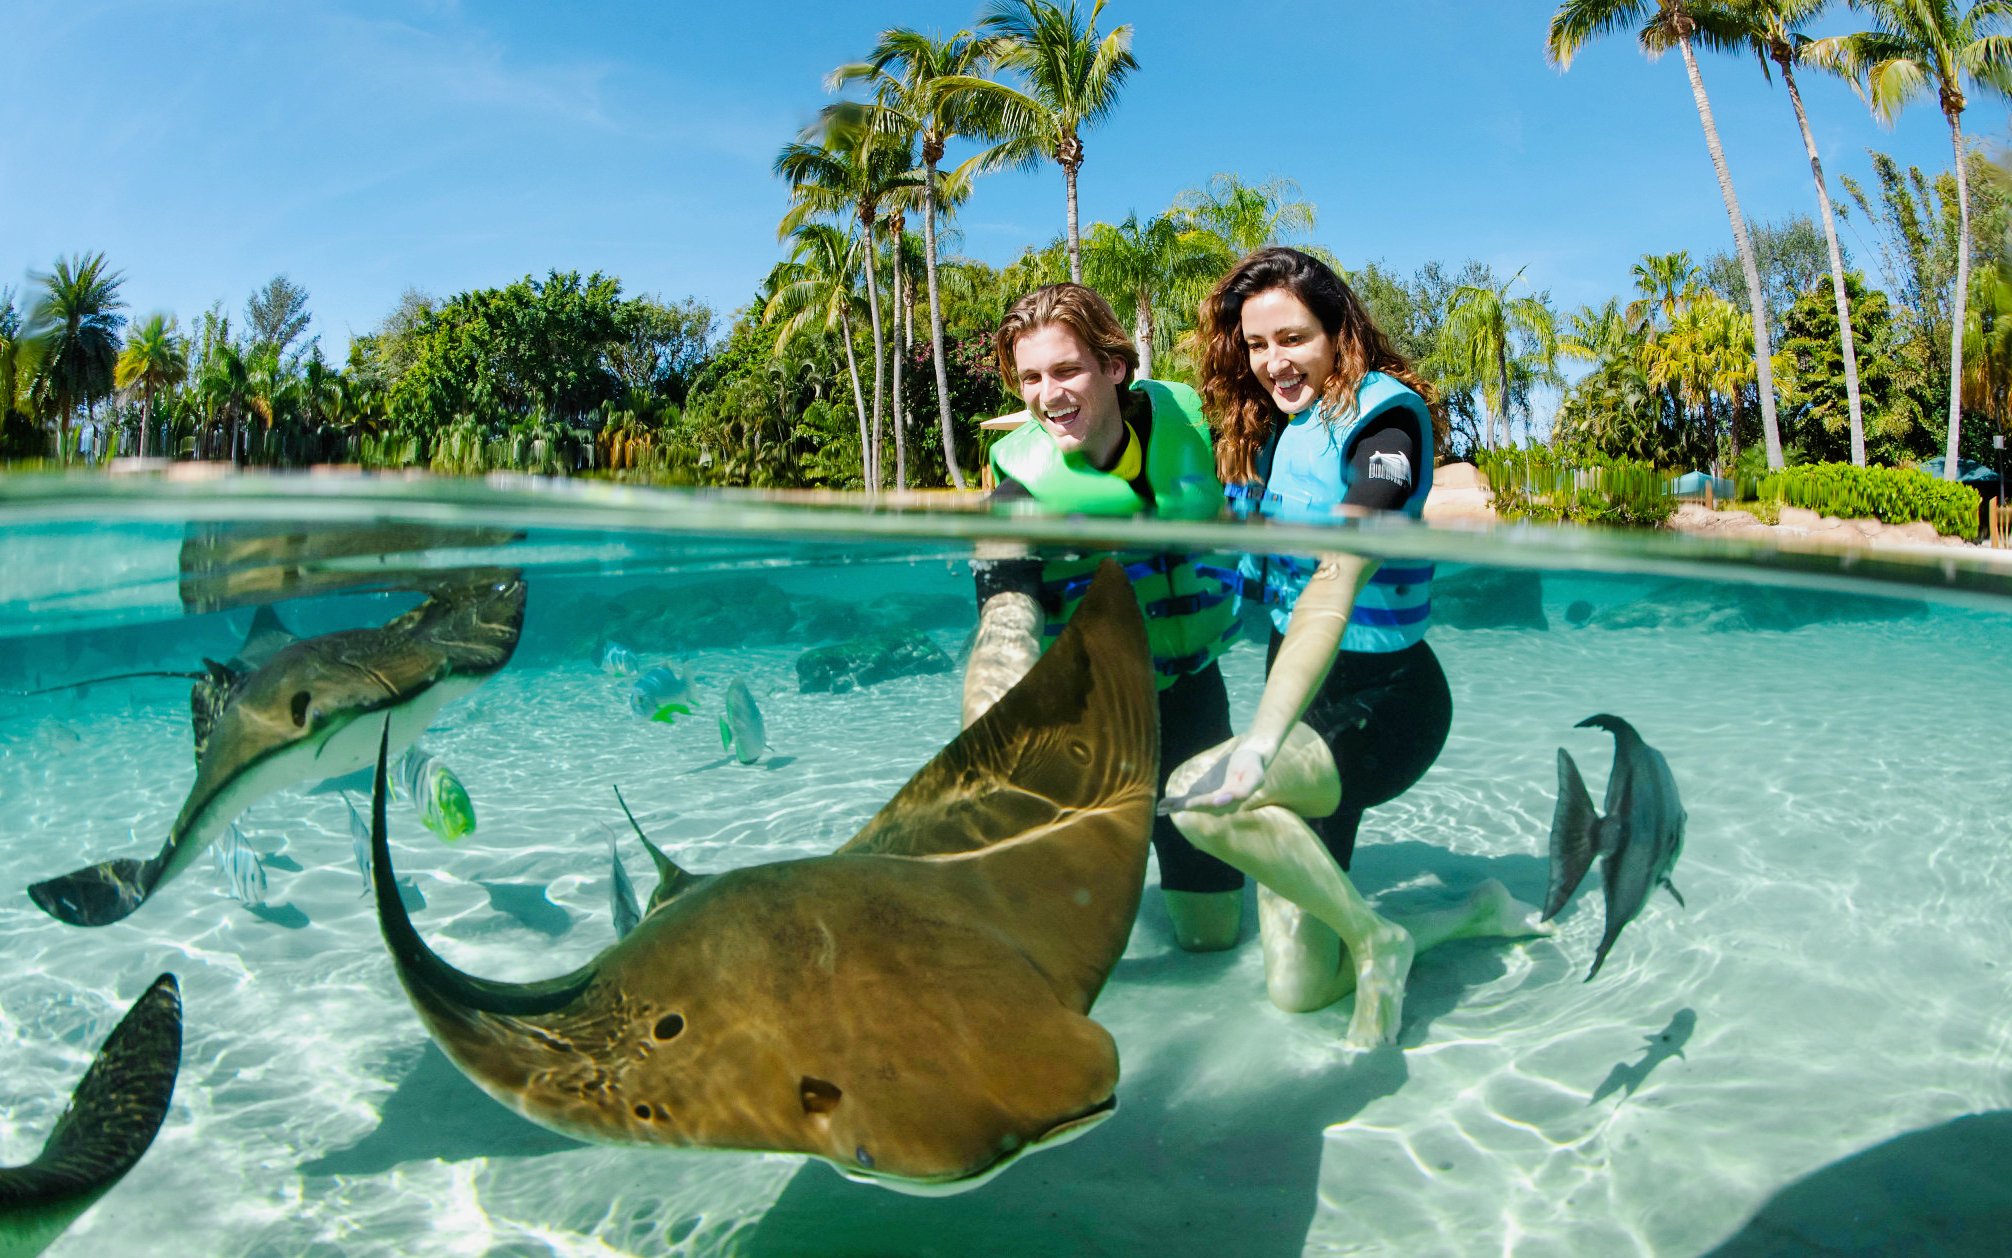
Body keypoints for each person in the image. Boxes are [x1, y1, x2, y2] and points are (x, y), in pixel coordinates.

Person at [1163, 247, 1543, 1048]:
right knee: (1300, 992)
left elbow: (1335, 578)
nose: (1274, 362)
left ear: (1339, 330)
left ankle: (1375, 938)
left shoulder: (1388, 419)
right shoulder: (1263, 430)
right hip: (1298, 694)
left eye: (1293, 338)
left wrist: (1260, 741)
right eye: (1258, 345)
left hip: (1385, 700)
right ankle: (1466, 915)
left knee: (1202, 794)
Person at [962, 282, 1249, 951]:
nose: (1047, 395)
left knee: (1211, 938)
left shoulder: (1198, 429)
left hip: (1192, 704)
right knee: (1065, 948)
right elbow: (1005, 626)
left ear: (1115, 367)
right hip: (1088, 727)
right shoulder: (1018, 497)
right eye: (1030, 378)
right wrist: (988, 757)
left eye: (1066, 370)